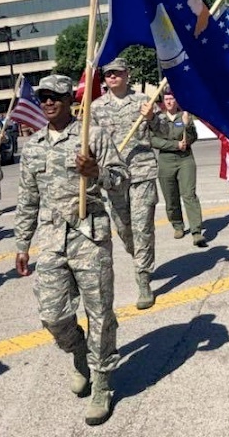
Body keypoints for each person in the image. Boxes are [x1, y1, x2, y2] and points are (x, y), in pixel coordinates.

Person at [15, 75, 128, 426]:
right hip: (51, 239)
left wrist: (96, 171)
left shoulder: (90, 135)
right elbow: (27, 199)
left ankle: (102, 383)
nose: (48, 102)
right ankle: (79, 352)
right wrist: (22, 243)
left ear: (69, 99)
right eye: (43, 97)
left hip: (89, 235)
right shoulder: (32, 145)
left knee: (100, 313)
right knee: (53, 315)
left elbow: (121, 178)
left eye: (55, 97)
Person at [90, 57, 159, 310]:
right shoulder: (96, 108)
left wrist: (152, 117)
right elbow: (91, 142)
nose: (113, 77)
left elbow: (162, 130)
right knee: (124, 229)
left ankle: (142, 278)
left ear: (127, 74)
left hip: (142, 171)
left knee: (142, 227)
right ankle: (139, 254)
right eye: (108, 74)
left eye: (117, 73)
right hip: (113, 176)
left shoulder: (143, 101)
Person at [150, 89, 206, 246]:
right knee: (170, 197)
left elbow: (193, 137)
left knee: (189, 194)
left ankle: (196, 231)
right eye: (166, 99)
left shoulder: (184, 116)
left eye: (172, 99)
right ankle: (177, 225)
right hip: (166, 160)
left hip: (185, 159)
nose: (169, 102)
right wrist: (175, 145)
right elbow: (152, 140)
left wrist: (187, 127)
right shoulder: (158, 119)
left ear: (176, 101)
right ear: (163, 102)